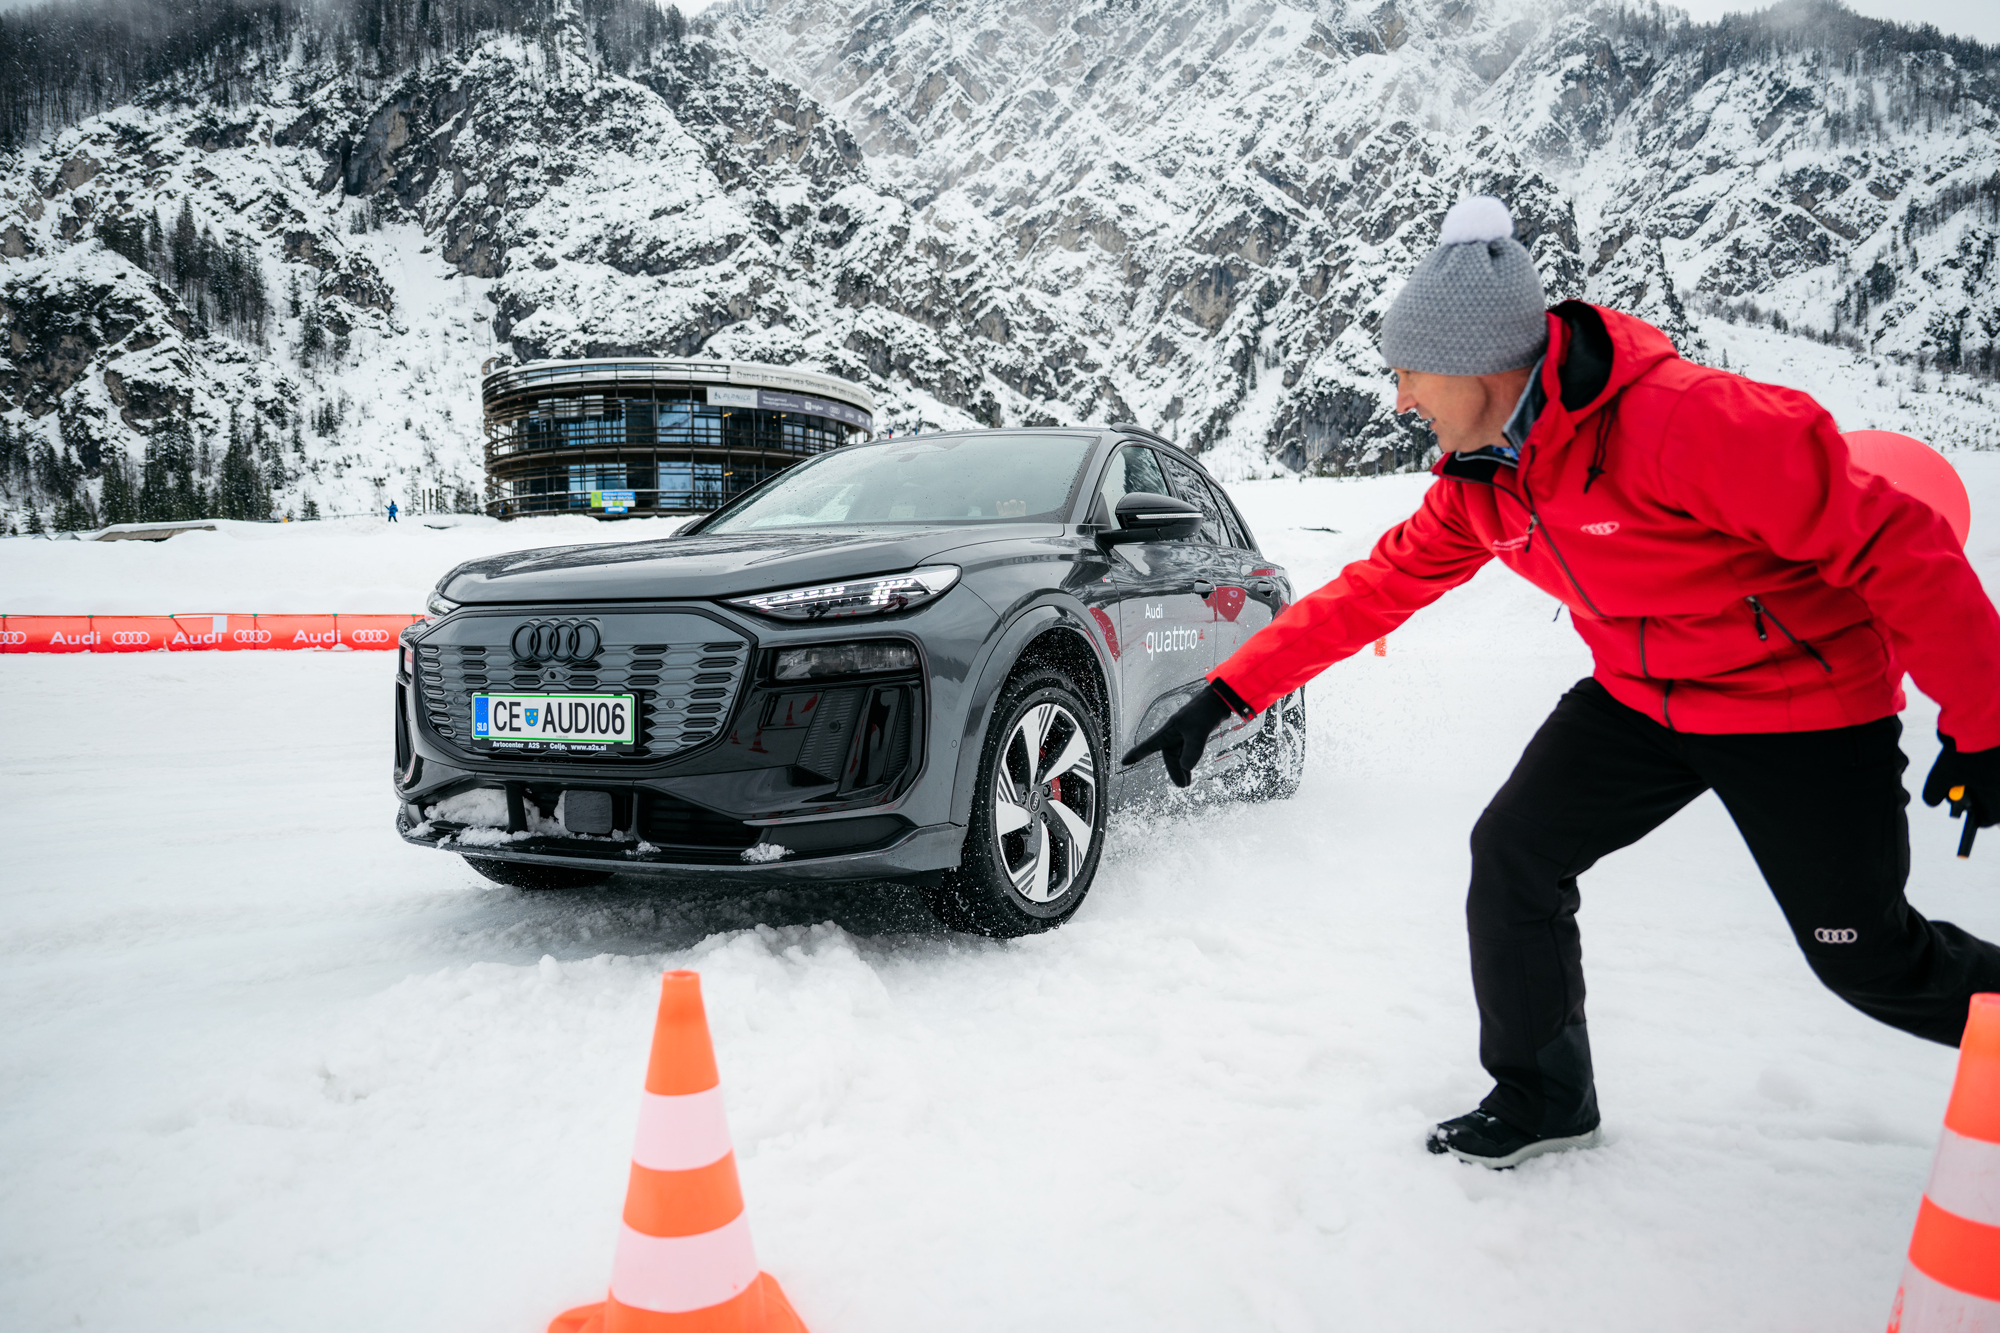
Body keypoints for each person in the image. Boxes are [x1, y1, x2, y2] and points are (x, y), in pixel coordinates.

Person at [1125, 196, 2000, 1169]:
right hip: (1639, 695)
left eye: (1408, 374)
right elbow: (1373, 590)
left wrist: (1984, 723)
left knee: (1865, 956)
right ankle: (1542, 1095)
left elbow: (1896, 540)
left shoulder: (1682, 423)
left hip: (1794, 707)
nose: (1399, 399)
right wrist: (1226, 694)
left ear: (1477, 367)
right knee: (1514, 856)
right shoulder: (1483, 479)